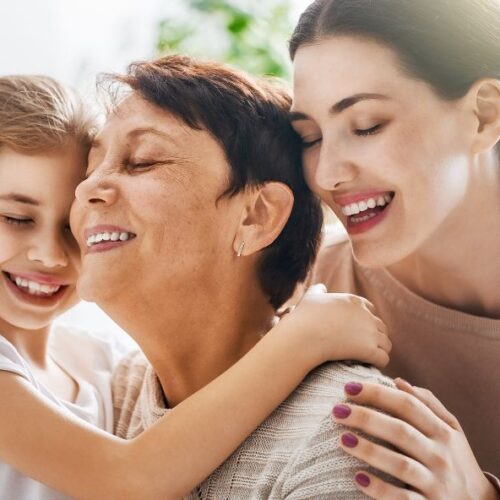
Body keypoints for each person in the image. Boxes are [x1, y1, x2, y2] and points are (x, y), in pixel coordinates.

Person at [0, 74, 391, 499]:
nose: (88, 190)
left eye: (143, 160)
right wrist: (302, 340)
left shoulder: (101, 367)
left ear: (256, 216)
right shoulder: (125, 389)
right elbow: (128, 477)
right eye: (17, 218)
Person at [288, 0, 500, 497]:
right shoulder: (305, 291)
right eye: (310, 137)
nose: (327, 174)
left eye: (366, 125)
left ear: (483, 115)